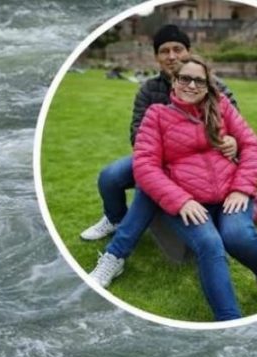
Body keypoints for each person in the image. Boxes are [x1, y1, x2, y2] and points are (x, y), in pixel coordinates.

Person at [102, 56, 257, 321]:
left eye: (198, 80)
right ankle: (229, 321)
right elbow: (145, 166)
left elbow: (252, 146)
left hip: (230, 193)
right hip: (187, 200)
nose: (191, 85)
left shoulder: (221, 106)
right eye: (184, 78)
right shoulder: (157, 115)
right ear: (174, 83)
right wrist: (181, 201)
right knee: (210, 244)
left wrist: (242, 189)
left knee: (239, 236)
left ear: (208, 84)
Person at [79, 25, 238, 244]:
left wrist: (232, 140)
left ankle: (120, 250)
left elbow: (235, 124)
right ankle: (115, 219)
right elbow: (137, 132)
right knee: (110, 176)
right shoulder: (148, 89)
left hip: (199, 162)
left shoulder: (214, 86)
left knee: (150, 186)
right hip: (155, 157)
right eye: (164, 51)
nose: (172, 56)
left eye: (178, 49)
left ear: (188, 52)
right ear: (156, 57)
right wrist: (162, 158)